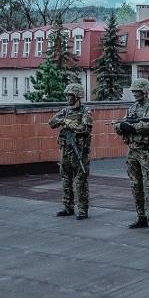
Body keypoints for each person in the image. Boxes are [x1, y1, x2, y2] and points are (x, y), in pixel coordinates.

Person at [114, 78, 149, 235]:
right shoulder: (133, 107)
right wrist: (121, 127)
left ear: (145, 91)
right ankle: (141, 216)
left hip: (147, 152)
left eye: (137, 91)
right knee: (135, 185)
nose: (134, 94)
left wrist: (132, 127)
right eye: (133, 91)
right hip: (133, 151)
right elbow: (120, 124)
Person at [48, 83, 93, 219]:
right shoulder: (66, 111)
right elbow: (52, 122)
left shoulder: (86, 111)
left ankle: (83, 209)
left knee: (81, 181)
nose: (68, 98)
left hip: (79, 151)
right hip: (65, 150)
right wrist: (67, 122)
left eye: (71, 95)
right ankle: (68, 207)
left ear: (77, 96)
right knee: (66, 179)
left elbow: (85, 128)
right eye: (67, 95)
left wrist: (70, 124)